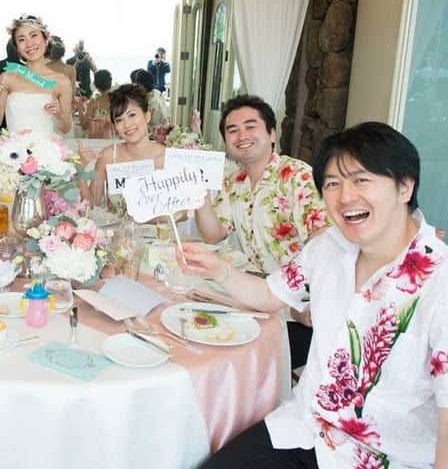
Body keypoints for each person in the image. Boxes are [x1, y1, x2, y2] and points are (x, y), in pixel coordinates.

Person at [182, 122, 448, 469]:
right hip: (305, 429)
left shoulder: (439, 283)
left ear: (405, 187)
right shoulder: (329, 247)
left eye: (361, 180)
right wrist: (219, 270)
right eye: (333, 184)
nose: (345, 197)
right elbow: (270, 295)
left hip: (385, 458)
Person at [194, 94, 328, 366]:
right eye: (233, 130)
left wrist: (296, 305)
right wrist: (199, 197)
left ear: (272, 134)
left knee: (227, 358)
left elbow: (323, 243)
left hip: (302, 310)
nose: (242, 135)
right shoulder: (234, 181)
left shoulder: (297, 175)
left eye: (250, 126)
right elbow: (214, 234)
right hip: (256, 296)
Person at [0, 14, 73, 137]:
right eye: (21, 39)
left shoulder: (62, 82)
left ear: (45, 39)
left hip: (46, 148)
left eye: (33, 35)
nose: (29, 44)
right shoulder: (8, 77)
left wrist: (58, 114)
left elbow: (66, 128)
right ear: (17, 47)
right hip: (14, 148)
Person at [84, 84, 166, 209]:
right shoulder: (108, 157)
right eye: (119, 120)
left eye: (132, 115)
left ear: (147, 116)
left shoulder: (167, 157)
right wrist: (81, 172)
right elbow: (92, 205)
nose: (127, 125)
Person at [130, 69, 168, 133]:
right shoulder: (155, 93)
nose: (134, 89)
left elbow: (153, 126)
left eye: (136, 86)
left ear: (144, 85)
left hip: (156, 133)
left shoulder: (153, 102)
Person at [80, 69, 114, 139]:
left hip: (96, 142)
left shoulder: (94, 103)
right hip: (113, 141)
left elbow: (84, 126)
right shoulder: (118, 101)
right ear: (110, 83)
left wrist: (79, 106)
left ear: (96, 84)